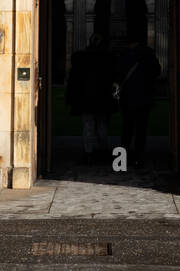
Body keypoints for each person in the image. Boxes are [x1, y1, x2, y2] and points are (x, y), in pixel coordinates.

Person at [65, 33, 115, 165]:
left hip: (86, 98)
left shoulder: (81, 58)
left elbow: (73, 80)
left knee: (88, 126)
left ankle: (89, 153)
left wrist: (72, 98)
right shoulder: (108, 58)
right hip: (102, 98)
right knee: (102, 126)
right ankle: (102, 151)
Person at [116, 39, 161, 171]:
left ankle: (122, 161)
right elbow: (157, 71)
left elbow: (118, 73)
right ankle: (138, 159)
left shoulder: (124, 55)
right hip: (144, 96)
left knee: (127, 128)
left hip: (128, 97)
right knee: (141, 130)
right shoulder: (149, 54)